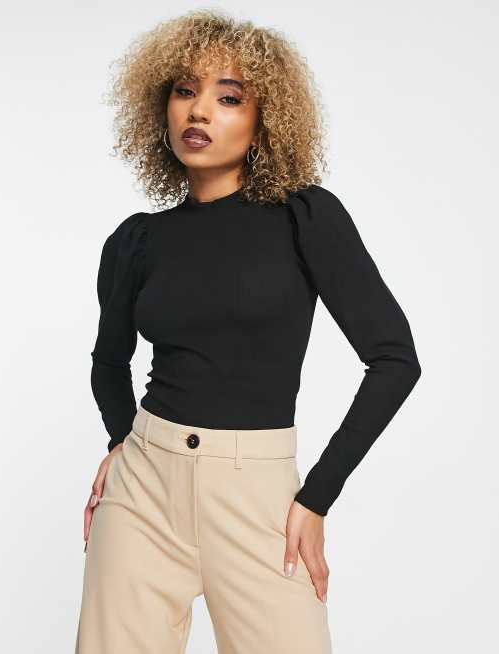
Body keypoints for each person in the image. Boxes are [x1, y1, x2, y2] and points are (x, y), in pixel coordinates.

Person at [74, 9, 421, 654]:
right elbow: (108, 361)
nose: (199, 110)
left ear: (266, 121)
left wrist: (316, 499)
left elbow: (394, 360)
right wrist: (122, 441)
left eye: (228, 97)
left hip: (258, 495)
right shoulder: (137, 240)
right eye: (185, 91)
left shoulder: (304, 218)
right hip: (143, 492)